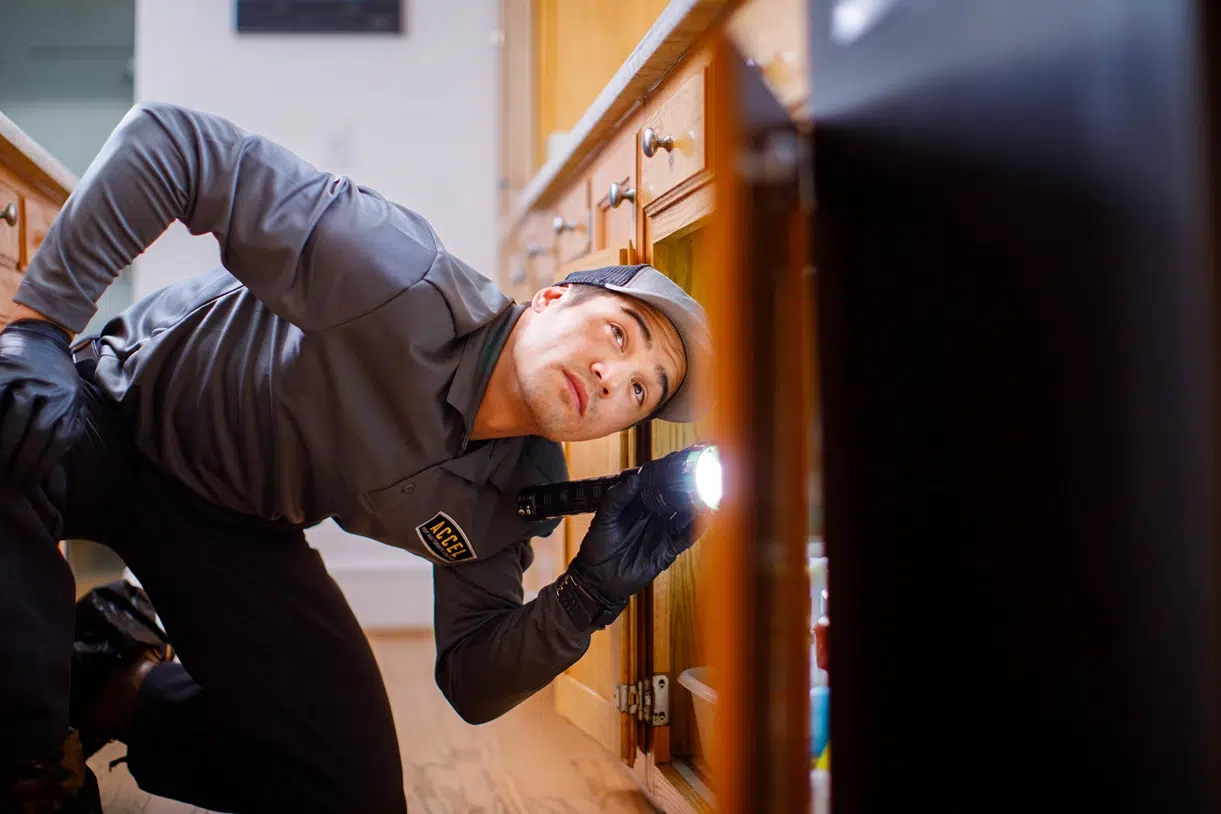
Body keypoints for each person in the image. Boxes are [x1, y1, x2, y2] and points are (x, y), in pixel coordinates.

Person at [0, 101, 711, 814]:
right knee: (6, 418)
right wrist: (42, 328)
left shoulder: (516, 492)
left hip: (233, 519)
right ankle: (30, 768)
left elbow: (471, 682)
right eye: (619, 335)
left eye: (641, 389)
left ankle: (113, 681)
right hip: (113, 416)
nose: (613, 378)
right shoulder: (393, 271)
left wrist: (587, 596)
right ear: (554, 298)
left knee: (351, 792)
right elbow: (175, 143)